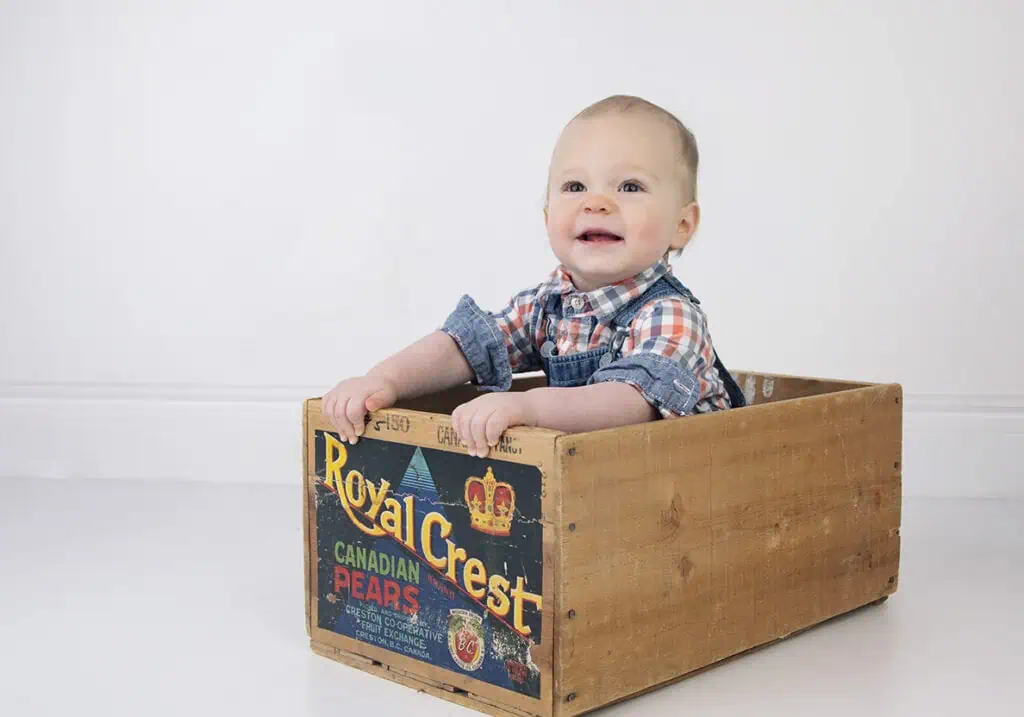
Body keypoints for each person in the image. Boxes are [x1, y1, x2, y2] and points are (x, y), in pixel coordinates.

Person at [322, 95, 745, 458]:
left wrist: (529, 409)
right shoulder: (545, 305)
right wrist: (383, 380)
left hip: (679, 480)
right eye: (575, 186)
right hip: (587, 487)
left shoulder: (669, 314)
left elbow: (630, 402)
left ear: (682, 225)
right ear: (547, 218)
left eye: (630, 187)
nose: (596, 203)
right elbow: (466, 346)